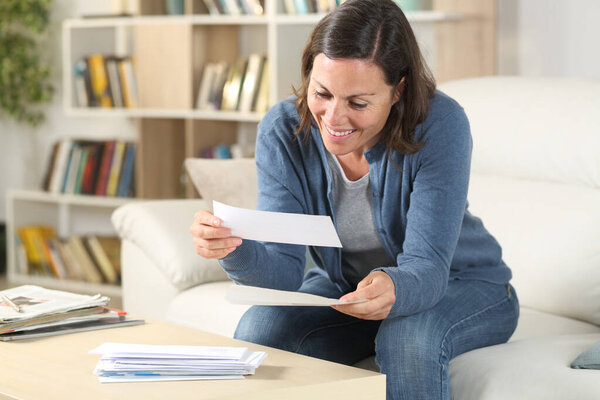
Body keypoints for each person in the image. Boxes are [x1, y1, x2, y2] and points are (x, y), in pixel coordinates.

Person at [189, 0, 519, 398]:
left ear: (398, 90)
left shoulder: (440, 124)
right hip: (349, 289)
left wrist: (391, 285)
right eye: (322, 93)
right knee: (259, 330)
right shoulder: (284, 131)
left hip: (462, 284)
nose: (333, 118)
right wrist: (233, 248)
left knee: (407, 338)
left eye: (358, 103)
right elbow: (284, 273)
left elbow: (428, 270)